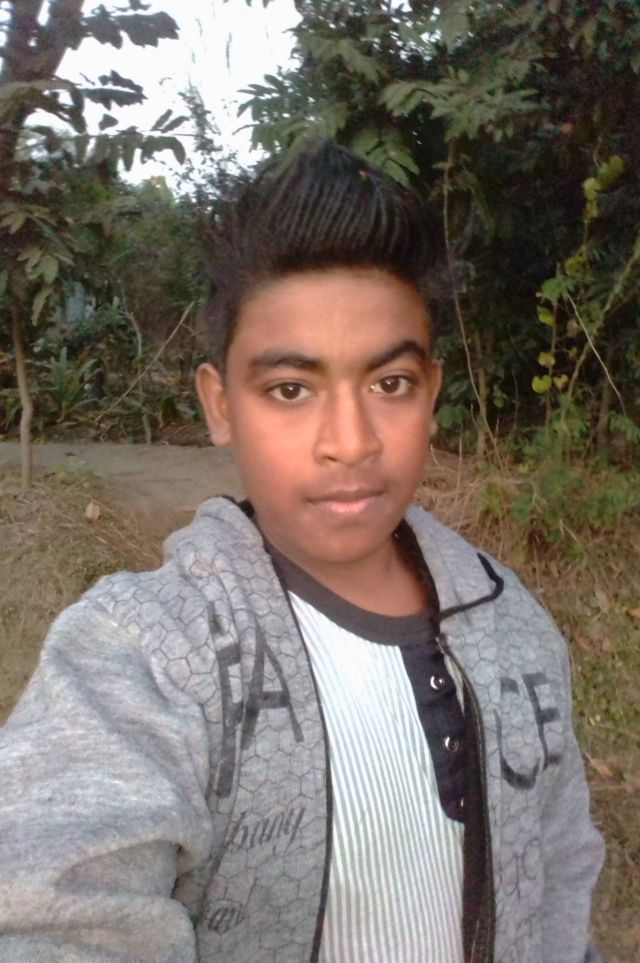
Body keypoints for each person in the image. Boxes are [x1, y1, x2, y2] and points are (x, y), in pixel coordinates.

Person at [0, 141, 604, 963]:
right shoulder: (142, 656)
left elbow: (562, 877)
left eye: (389, 384)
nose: (349, 442)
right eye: (291, 389)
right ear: (220, 405)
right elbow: (50, 912)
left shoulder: (514, 623)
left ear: (431, 392)